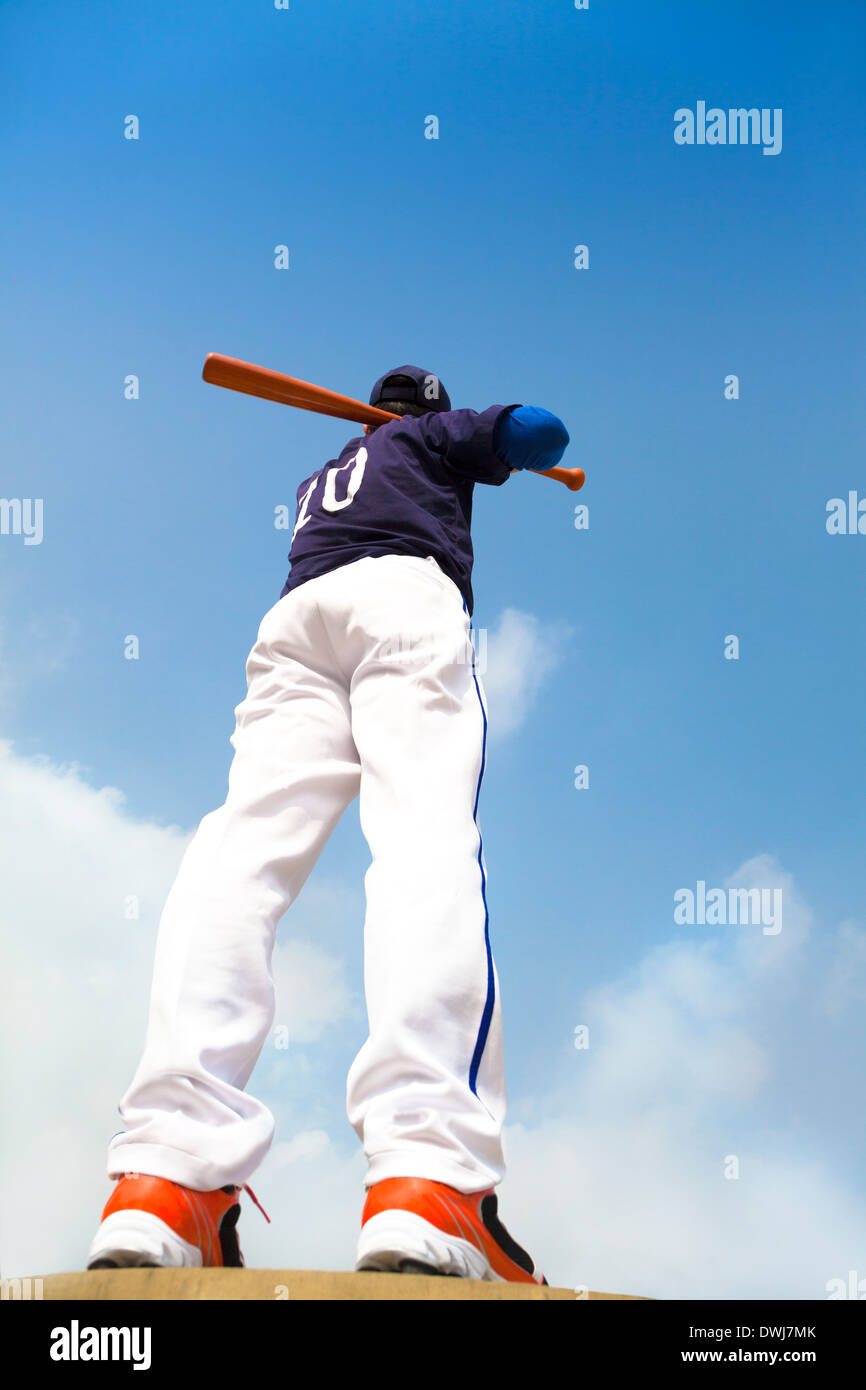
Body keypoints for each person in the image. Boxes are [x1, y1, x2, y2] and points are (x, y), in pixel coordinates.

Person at [86, 366, 569, 1282]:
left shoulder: (329, 472)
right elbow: (544, 432)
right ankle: (430, 1181)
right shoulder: (431, 439)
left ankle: (163, 1179)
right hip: (400, 605)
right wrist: (492, 441)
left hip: (295, 625)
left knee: (242, 854)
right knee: (423, 842)